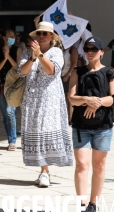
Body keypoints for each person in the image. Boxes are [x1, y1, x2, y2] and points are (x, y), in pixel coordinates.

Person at [68, 37, 114, 212]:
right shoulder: (77, 71)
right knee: (82, 164)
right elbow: (72, 98)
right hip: (81, 125)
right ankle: (82, 203)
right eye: (87, 49)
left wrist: (96, 102)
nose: (90, 52)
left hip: (103, 125)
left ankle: (93, 204)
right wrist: (86, 100)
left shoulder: (110, 72)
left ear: (101, 52)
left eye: (94, 49)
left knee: (99, 166)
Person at [18, 21, 73, 188]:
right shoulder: (28, 52)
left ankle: (45, 171)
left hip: (49, 100)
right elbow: (22, 72)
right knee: (35, 132)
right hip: (31, 100)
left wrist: (40, 56)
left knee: (45, 131)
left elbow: (52, 70)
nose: (41, 37)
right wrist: (33, 57)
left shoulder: (56, 52)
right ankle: (43, 170)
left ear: (51, 37)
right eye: (38, 34)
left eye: (44, 34)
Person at [0, 28, 19, 151]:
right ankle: (10, 138)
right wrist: (4, 58)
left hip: (13, 86)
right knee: (5, 114)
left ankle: (12, 140)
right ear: (4, 38)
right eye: (9, 35)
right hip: (1, 85)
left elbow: (18, 68)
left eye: (13, 36)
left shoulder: (17, 50)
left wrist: (8, 56)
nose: (12, 38)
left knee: (10, 112)